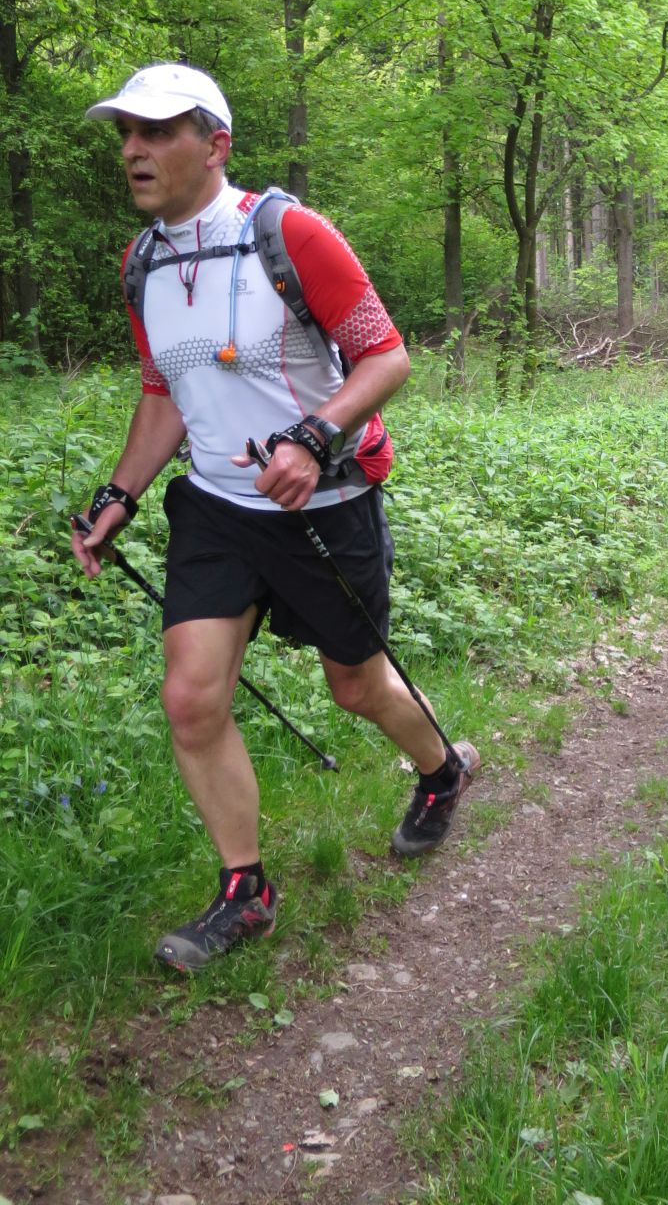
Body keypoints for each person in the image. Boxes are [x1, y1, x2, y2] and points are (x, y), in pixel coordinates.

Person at [70, 63, 478, 973]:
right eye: (126, 134)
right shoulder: (143, 263)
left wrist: (313, 437)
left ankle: (442, 770)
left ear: (215, 145)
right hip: (216, 507)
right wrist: (119, 495)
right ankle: (245, 890)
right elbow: (163, 393)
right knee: (190, 697)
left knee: (356, 688)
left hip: (325, 504)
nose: (133, 149)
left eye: (157, 131)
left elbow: (386, 356)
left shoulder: (287, 234)